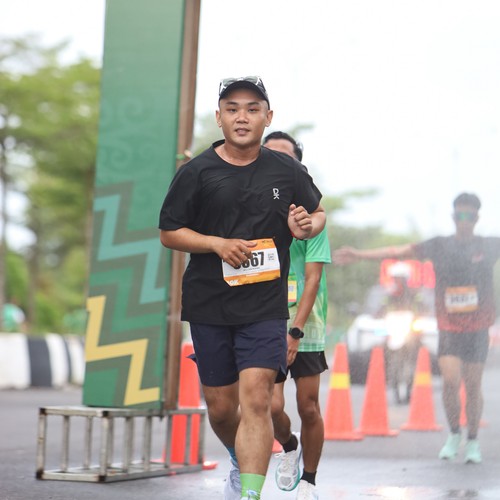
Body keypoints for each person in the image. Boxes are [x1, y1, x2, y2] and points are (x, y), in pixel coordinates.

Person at [158, 77, 326, 500]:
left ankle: (250, 493)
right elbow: (169, 232)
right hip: (209, 304)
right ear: (219, 118)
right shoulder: (196, 172)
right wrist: (216, 244)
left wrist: (306, 225)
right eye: (232, 109)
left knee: (257, 400)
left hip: (265, 307)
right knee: (220, 409)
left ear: (268, 118)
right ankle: (239, 458)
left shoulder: (286, 169)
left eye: (252, 109)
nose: (242, 117)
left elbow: (318, 212)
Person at [333, 193, 500, 464]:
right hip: (449, 327)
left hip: (478, 327)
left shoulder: (489, 245)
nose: (464, 221)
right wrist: (359, 254)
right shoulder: (439, 245)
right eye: (460, 215)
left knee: (472, 385)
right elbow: (397, 252)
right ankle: (454, 433)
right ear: (453, 217)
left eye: (469, 216)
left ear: (477, 218)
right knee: (450, 380)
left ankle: (472, 440)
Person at [263, 132, 330, 500]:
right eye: (268, 154)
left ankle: (309, 480)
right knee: (272, 406)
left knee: (308, 406)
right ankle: (289, 446)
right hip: (265, 319)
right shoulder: (255, 210)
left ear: (297, 166)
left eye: (284, 156)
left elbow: (313, 278)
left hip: (306, 325)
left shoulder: (311, 216)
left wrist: (296, 331)